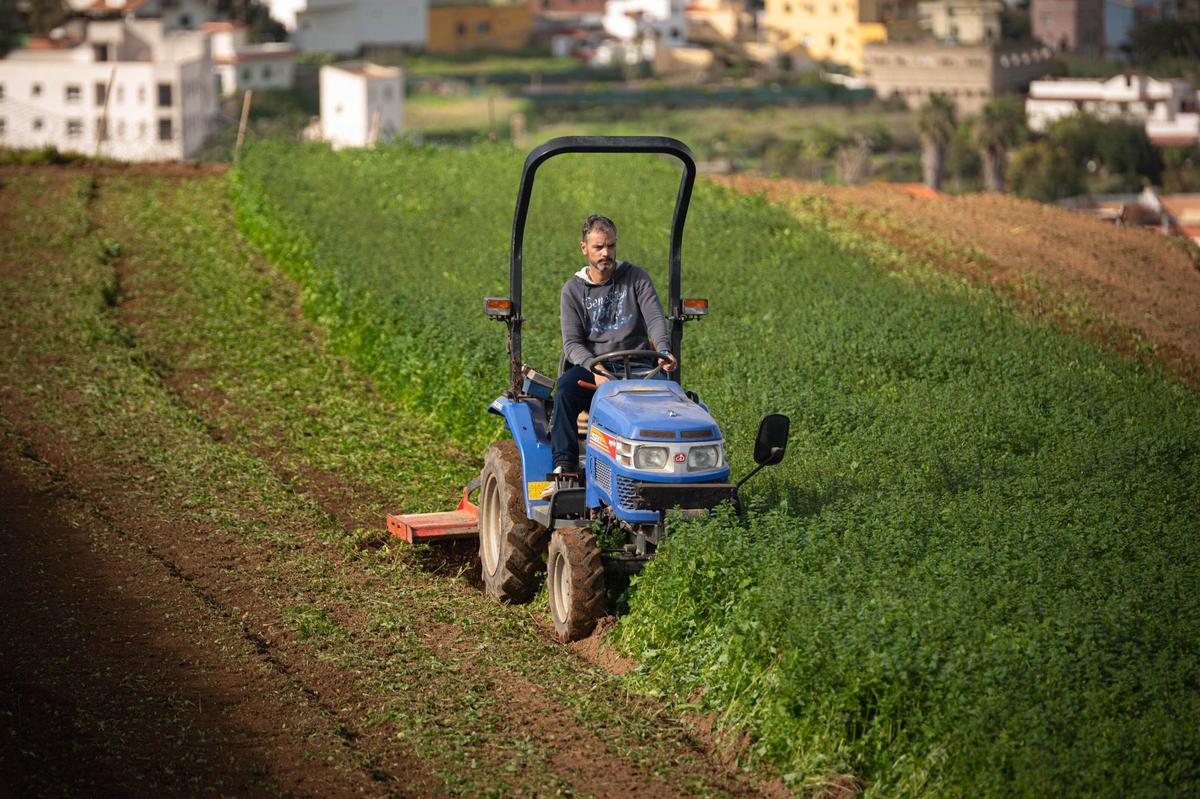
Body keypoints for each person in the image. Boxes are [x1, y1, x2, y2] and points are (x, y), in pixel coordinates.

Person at [546, 214, 676, 492]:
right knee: (566, 390)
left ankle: (670, 468)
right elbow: (572, 345)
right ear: (584, 248)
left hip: (640, 368)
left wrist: (663, 350)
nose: (606, 253)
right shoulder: (573, 290)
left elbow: (654, 318)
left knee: (674, 402)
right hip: (596, 370)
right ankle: (566, 467)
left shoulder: (635, 278)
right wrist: (596, 369)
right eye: (599, 247)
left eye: (611, 246)